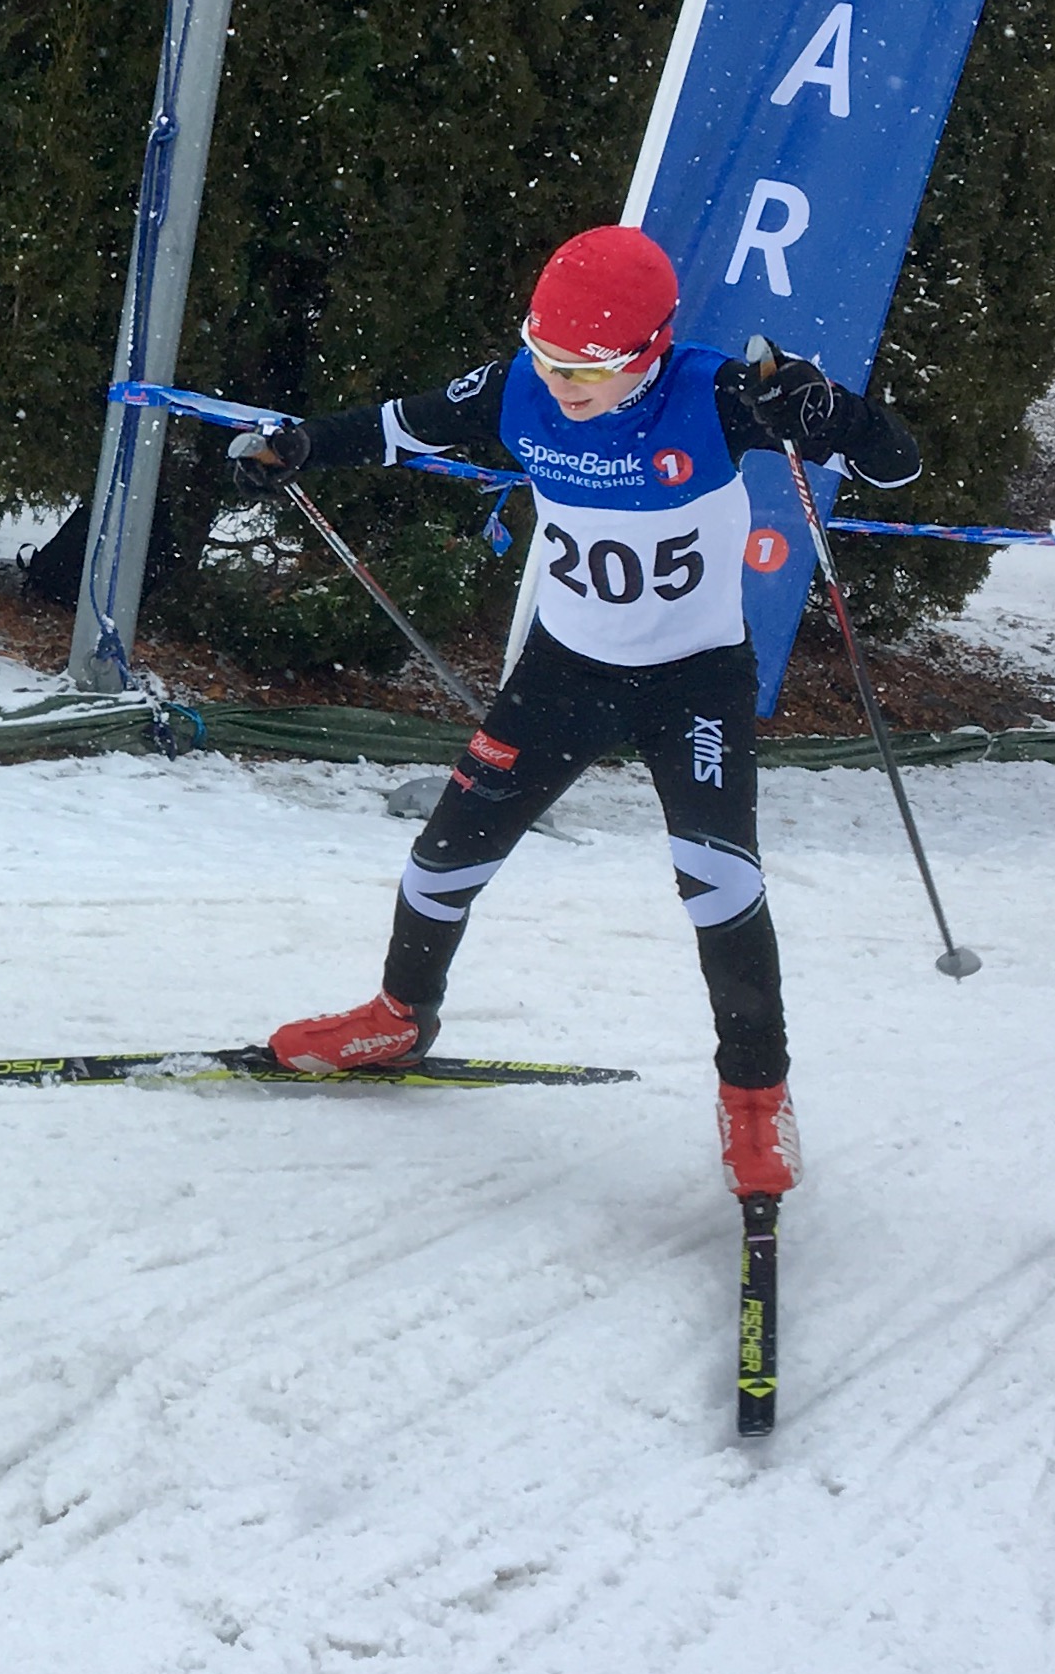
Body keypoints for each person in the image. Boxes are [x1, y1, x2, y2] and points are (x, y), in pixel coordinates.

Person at [229, 226, 920, 1196]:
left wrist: (829, 412)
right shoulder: (517, 388)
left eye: (586, 367)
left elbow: (895, 465)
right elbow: (396, 426)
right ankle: (397, 1017)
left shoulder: (716, 394)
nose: (560, 382)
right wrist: (297, 446)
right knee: (440, 861)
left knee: (718, 884)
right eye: (547, 355)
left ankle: (755, 1099)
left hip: (693, 679)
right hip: (564, 673)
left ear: (649, 349)